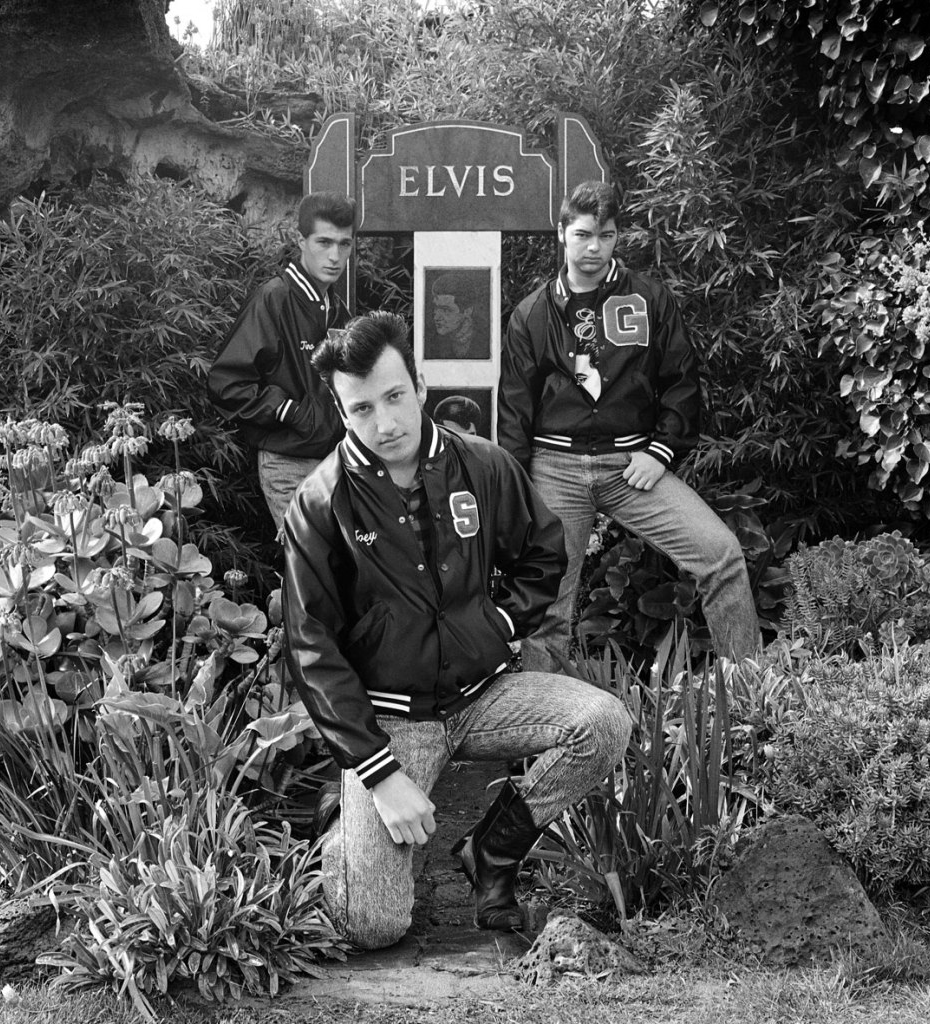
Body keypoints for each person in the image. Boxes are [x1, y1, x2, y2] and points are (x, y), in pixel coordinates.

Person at [282, 311, 632, 949]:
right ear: (341, 410)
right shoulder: (319, 501)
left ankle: (491, 851)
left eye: (394, 397)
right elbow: (311, 648)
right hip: (394, 720)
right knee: (373, 928)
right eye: (361, 409)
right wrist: (380, 775)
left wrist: (498, 623)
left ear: (419, 385)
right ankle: (344, 833)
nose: (384, 424)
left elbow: (545, 553)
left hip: (486, 695)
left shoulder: (484, 465)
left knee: (603, 722)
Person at [499, 180, 760, 671]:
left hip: (631, 466)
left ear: (619, 237)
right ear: (561, 233)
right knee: (549, 609)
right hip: (555, 468)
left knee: (722, 555)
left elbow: (681, 380)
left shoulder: (649, 299)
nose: (593, 248)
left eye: (607, 236)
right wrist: (517, 496)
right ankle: (542, 735)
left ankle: (751, 703)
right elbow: (514, 413)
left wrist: (660, 450)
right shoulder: (531, 314)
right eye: (582, 235)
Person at [207, 191, 356, 532]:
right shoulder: (274, 298)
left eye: (344, 245)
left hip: (335, 464)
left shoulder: (336, 308)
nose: (334, 256)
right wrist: (293, 413)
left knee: (334, 575)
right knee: (309, 569)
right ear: (299, 240)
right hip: (288, 464)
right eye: (324, 242)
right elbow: (226, 382)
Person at [426, 270, 488, 359]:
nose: (436, 317)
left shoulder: (486, 340)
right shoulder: (432, 342)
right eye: (436, 308)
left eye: (446, 310)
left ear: (467, 311)